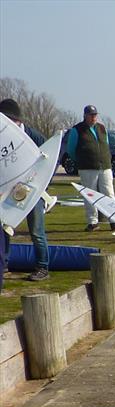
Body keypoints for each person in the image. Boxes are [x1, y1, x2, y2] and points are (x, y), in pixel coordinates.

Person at [0, 98, 51, 281]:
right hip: (8, 191)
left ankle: (42, 267)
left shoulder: (32, 134)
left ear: (18, 121)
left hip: (32, 189)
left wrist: (44, 181)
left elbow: (50, 157)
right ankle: (4, 264)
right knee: (4, 228)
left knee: (37, 230)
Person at [66, 105, 115, 231]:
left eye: (95, 115)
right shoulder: (77, 130)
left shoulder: (102, 128)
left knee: (109, 194)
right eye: (91, 115)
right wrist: (81, 160)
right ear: (85, 115)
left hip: (105, 166)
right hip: (87, 168)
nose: (94, 117)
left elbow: (107, 145)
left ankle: (114, 220)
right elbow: (71, 149)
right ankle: (92, 222)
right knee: (90, 195)